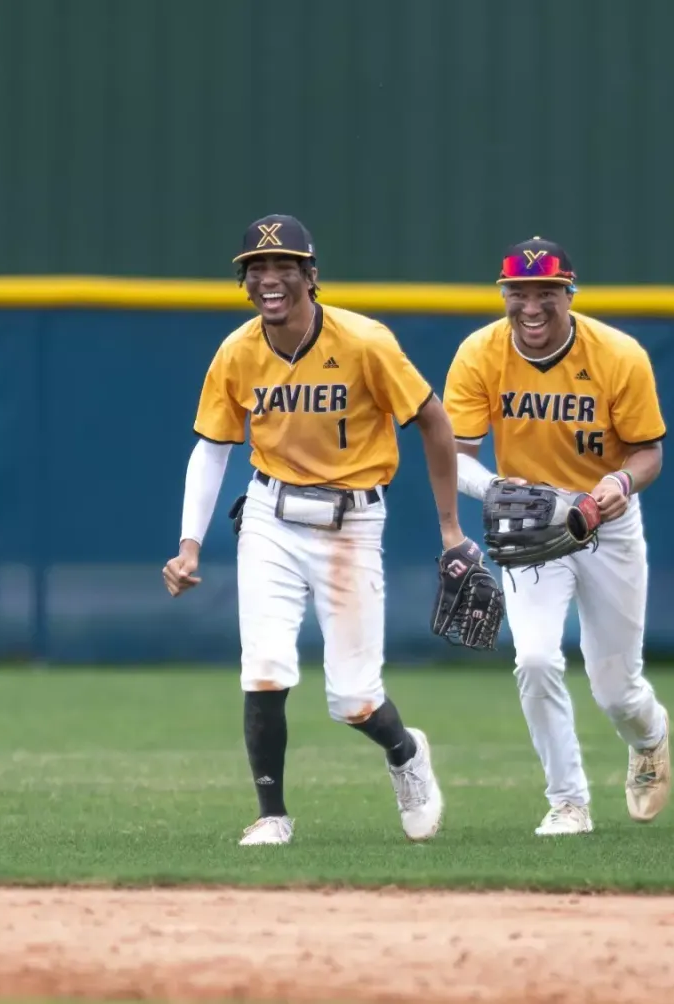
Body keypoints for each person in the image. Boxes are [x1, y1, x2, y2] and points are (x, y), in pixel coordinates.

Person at [162, 214, 468, 846]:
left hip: (351, 521)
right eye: (257, 269)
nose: (269, 279)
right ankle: (272, 815)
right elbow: (213, 449)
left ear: (310, 275)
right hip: (270, 517)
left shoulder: (365, 342)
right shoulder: (238, 351)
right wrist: (189, 543)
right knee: (265, 667)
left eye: (284, 267)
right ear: (245, 283)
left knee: (353, 699)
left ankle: (407, 753)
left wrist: (450, 530)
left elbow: (435, 424)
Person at [442, 237, 671, 836]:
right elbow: (456, 455)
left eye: (546, 292)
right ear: (505, 296)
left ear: (569, 294)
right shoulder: (480, 352)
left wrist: (621, 481)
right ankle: (569, 800)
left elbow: (649, 453)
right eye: (519, 293)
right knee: (536, 658)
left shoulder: (619, 355)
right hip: (530, 526)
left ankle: (649, 737)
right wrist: (494, 491)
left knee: (616, 691)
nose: (532, 306)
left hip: (607, 524)